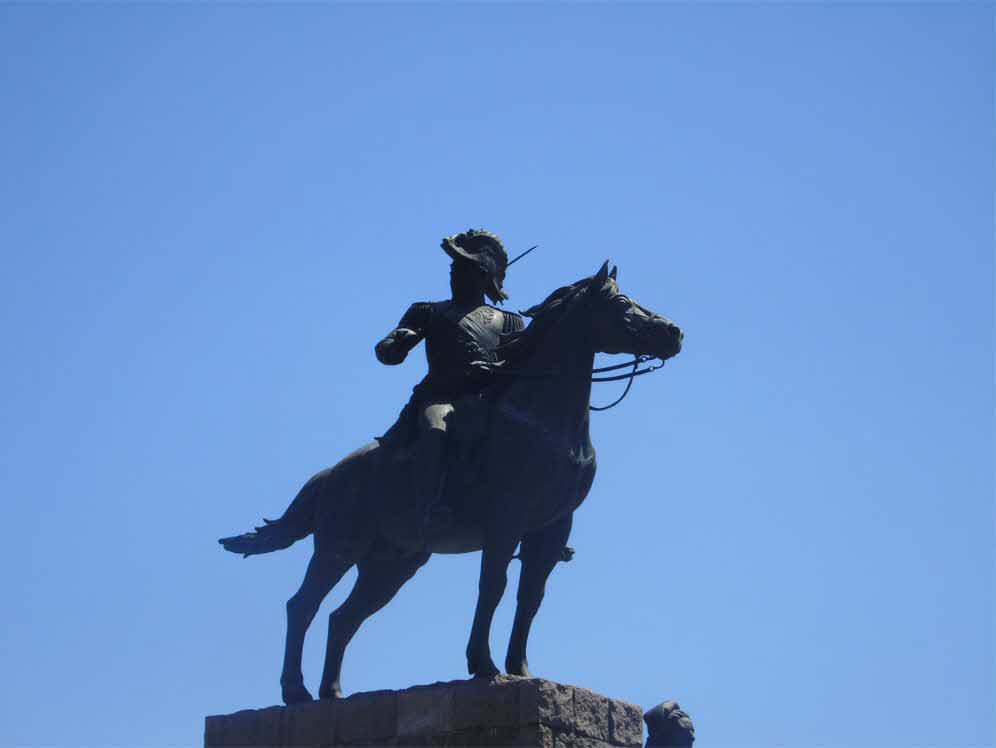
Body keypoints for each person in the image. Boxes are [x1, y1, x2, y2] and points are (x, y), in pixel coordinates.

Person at [375, 229, 524, 544]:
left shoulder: (510, 322)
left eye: (464, 269)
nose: (455, 275)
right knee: (436, 430)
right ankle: (428, 507)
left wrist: (496, 369)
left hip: (487, 400)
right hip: (440, 397)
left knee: (530, 435)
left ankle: (540, 513)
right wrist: (395, 344)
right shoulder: (427, 311)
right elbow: (388, 351)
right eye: (454, 268)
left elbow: (520, 370)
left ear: (483, 276)